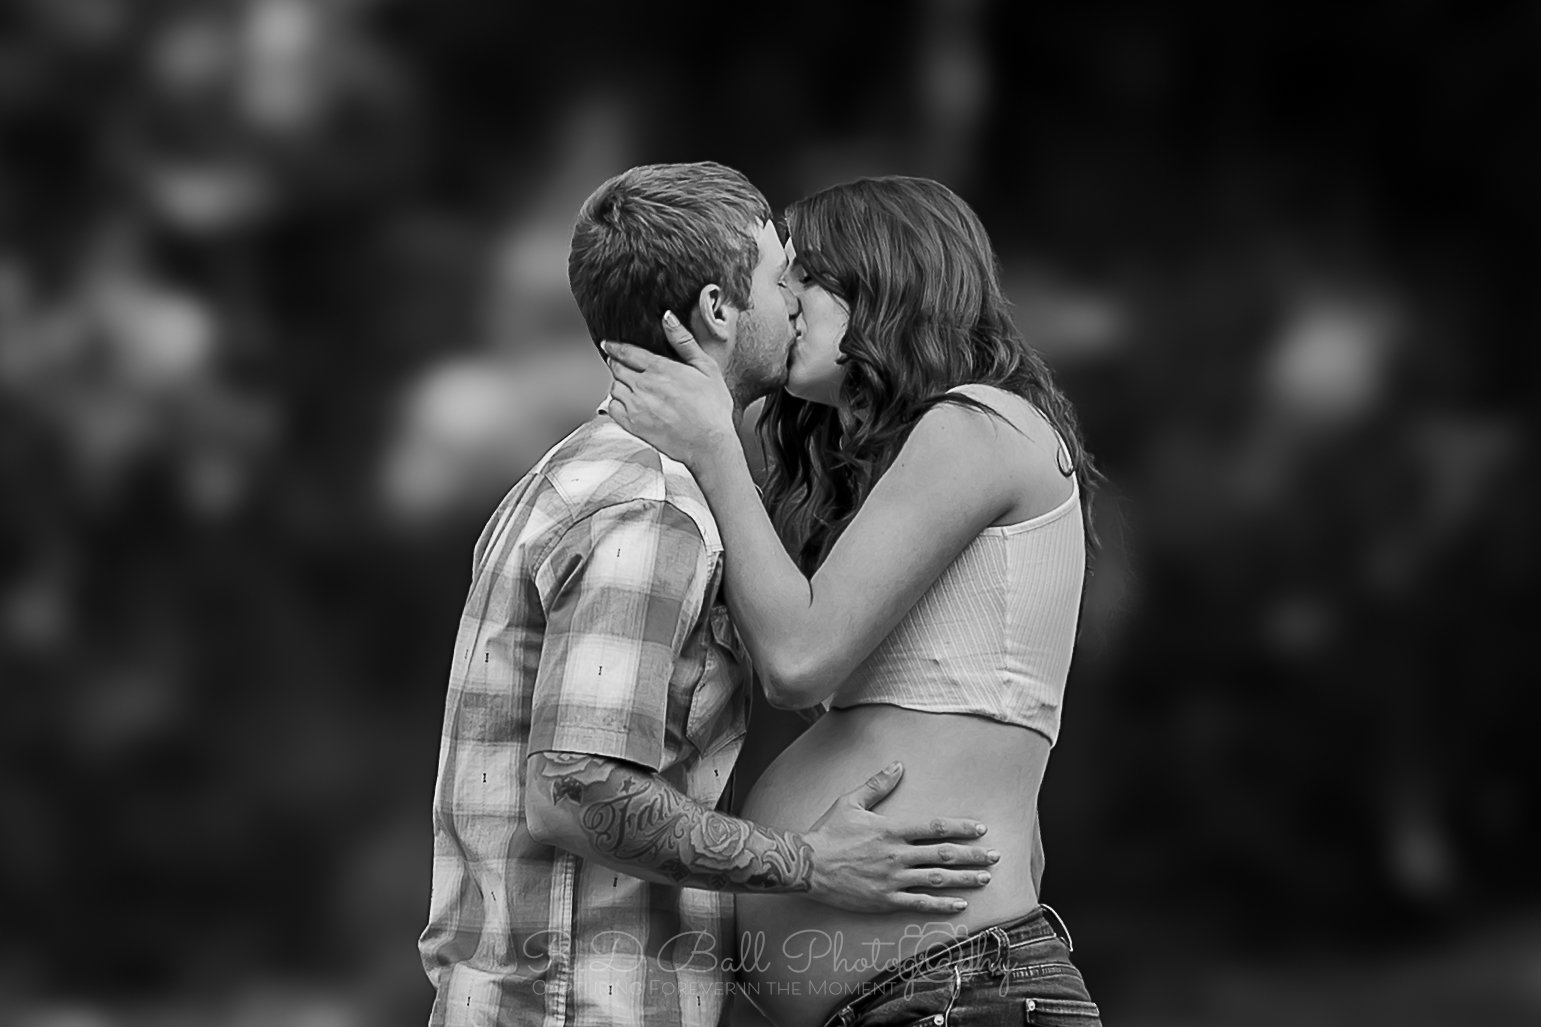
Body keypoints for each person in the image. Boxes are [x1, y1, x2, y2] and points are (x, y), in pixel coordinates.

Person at [418, 163, 1002, 1027]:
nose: (799, 301)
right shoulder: (650, 507)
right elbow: (575, 785)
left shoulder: (581, 473)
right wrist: (809, 863)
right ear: (719, 311)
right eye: (781, 277)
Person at [603, 176, 1104, 1026]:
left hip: (956, 990)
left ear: (880, 279)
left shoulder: (980, 423)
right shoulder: (906, 464)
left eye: (804, 276)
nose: (785, 302)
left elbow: (796, 661)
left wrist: (714, 445)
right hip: (924, 992)